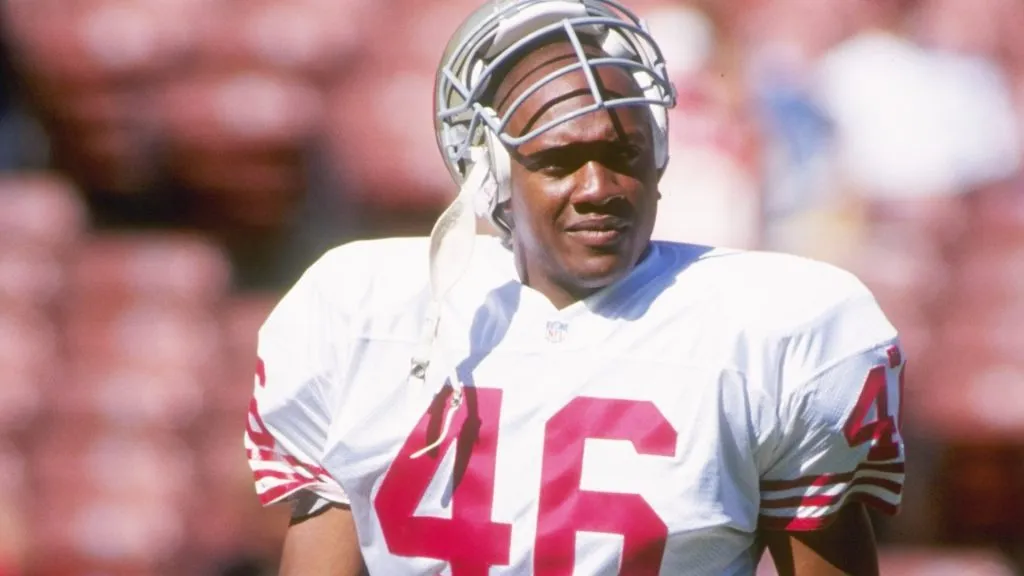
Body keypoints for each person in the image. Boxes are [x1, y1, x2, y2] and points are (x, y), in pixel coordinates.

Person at [245, 1, 906, 574]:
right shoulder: (361, 313)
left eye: (623, 156)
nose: (598, 189)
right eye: (560, 161)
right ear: (494, 173)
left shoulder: (774, 329)